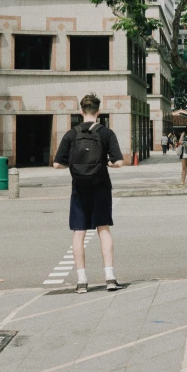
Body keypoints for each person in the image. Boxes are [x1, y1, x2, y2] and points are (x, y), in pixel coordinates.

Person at [53, 93, 125, 294]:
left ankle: (82, 281)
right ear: (99, 112)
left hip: (79, 187)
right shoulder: (106, 133)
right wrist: (107, 163)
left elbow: (57, 163)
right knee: (103, 229)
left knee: (79, 232)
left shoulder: (71, 134)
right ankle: (109, 277)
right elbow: (119, 161)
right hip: (101, 185)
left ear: (81, 111)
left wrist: (75, 165)